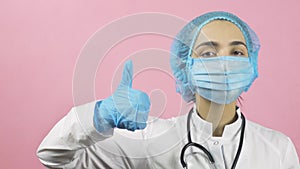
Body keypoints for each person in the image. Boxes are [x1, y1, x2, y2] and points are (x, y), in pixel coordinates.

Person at [37, 11, 300, 169]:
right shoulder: (148, 140)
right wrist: (99, 116)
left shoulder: (278, 149)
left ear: (250, 64)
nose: (223, 62)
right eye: (208, 52)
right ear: (186, 67)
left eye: (237, 52)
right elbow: (54, 157)